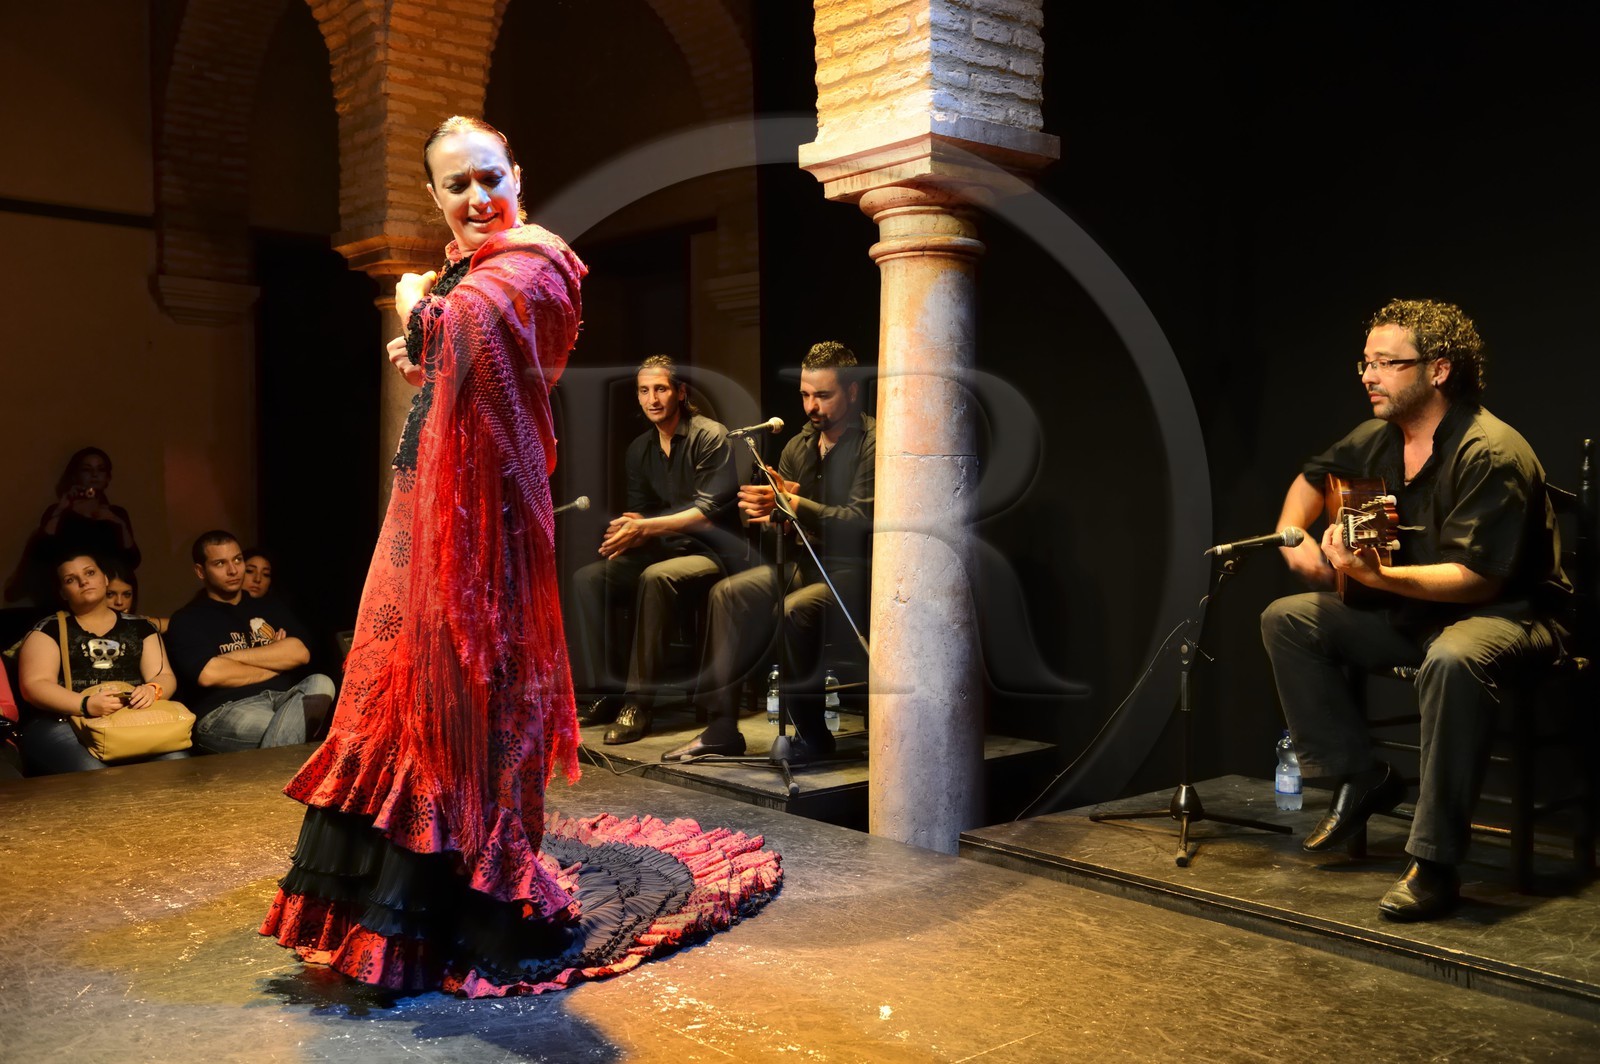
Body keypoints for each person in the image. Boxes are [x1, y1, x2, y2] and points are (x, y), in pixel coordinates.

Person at [259, 116, 778, 997]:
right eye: (456, 185)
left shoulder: (533, 257)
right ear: (433, 196)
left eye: (489, 177)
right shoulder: (473, 273)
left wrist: (415, 306)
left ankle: (475, 900)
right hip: (427, 508)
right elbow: (463, 356)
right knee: (399, 683)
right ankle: (393, 911)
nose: (477, 198)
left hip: (487, 527)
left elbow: (476, 331)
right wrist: (428, 353)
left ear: (517, 175)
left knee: (472, 690)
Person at [1261, 299, 1568, 922]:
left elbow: (1478, 581)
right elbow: (1311, 480)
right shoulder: (1376, 438)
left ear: (1439, 369)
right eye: (1366, 363)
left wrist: (1377, 574)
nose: (1370, 376)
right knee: (1289, 618)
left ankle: (1434, 862)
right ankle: (1360, 775)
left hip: (1510, 616)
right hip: (1415, 615)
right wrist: (1297, 540)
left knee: (1453, 660)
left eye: (1388, 364)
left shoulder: (1491, 451)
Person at [665, 342, 875, 763]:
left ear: (852, 393)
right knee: (728, 594)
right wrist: (769, 510)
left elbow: (860, 521)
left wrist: (796, 505)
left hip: (856, 571)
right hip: (804, 563)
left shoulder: (873, 441)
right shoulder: (799, 445)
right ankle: (723, 726)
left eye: (823, 395)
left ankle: (813, 736)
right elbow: (786, 519)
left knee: (795, 610)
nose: (811, 406)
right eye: (804, 395)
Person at [566, 355, 743, 745]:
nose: (652, 399)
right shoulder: (639, 449)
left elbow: (705, 514)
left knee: (655, 577)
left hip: (712, 553)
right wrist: (629, 531)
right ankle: (606, 693)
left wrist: (643, 526)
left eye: (661, 389)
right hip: (661, 550)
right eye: (644, 391)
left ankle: (638, 704)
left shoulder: (711, 436)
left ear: (680, 392)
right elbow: (641, 511)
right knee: (590, 579)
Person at [14, 552, 187, 774]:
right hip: (65, 721)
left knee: (178, 763)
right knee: (95, 773)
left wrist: (153, 690)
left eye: (90, 573)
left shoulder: (141, 627)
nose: (83, 581)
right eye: (70, 579)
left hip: (131, 717)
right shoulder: (49, 630)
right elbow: (35, 685)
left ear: (105, 579)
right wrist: (84, 704)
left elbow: (164, 676)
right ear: (62, 592)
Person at [165, 531, 335, 753]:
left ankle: (274, 778)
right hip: (226, 710)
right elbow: (210, 674)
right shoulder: (188, 619)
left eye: (237, 559)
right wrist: (275, 659)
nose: (233, 570)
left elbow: (299, 653)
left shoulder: (269, 606)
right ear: (200, 571)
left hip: (283, 699)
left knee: (322, 683)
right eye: (220, 563)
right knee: (286, 729)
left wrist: (229, 659)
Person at [5, 447, 141, 606]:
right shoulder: (60, 513)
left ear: (108, 478)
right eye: (87, 470)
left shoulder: (116, 514)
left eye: (100, 470)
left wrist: (119, 523)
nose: (94, 475)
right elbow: (40, 553)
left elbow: (132, 560)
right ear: (76, 475)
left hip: (109, 599)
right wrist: (61, 510)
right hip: (68, 597)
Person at [103, 557, 167, 633]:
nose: (119, 602)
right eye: (110, 594)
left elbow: (178, 624)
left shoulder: (140, 624)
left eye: (127, 594)